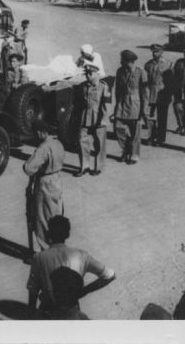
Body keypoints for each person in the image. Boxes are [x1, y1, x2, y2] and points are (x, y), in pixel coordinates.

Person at [27, 216, 116, 315]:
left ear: (48, 234)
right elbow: (110, 275)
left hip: (47, 312)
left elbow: (33, 293)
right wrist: (84, 291)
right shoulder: (82, 256)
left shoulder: (39, 258)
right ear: (68, 234)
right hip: (71, 312)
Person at [23, 119, 65, 251]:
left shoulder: (44, 148)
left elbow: (28, 168)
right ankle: (58, 249)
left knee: (41, 220)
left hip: (44, 184)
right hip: (57, 180)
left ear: (41, 132)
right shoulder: (58, 144)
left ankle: (46, 252)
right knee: (56, 216)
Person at [113, 50, 148, 164]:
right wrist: (116, 105)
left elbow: (145, 93)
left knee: (135, 133)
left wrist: (144, 110)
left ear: (130, 61)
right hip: (122, 104)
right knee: (118, 127)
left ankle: (134, 155)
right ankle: (126, 149)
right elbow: (117, 89)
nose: (120, 62)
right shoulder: (120, 71)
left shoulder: (141, 72)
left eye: (122, 60)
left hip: (135, 105)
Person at [75, 63, 110, 176]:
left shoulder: (103, 86)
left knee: (99, 142)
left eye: (91, 73)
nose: (88, 76)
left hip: (98, 117)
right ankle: (84, 166)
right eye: (87, 74)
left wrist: (104, 120)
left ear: (96, 73)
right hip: (85, 116)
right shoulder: (83, 86)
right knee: (81, 140)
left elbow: (106, 105)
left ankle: (98, 166)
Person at [144, 44, 173, 146]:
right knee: (150, 117)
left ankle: (160, 139)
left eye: (156, 51)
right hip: (151, 94)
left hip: (162, 94)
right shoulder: (148, 64)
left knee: (162, 118)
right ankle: (151, 137)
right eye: (153, 51)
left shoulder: (168, 64)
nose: (154, 53)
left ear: (161, 52)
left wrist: (169, 95)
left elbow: (170, 82)